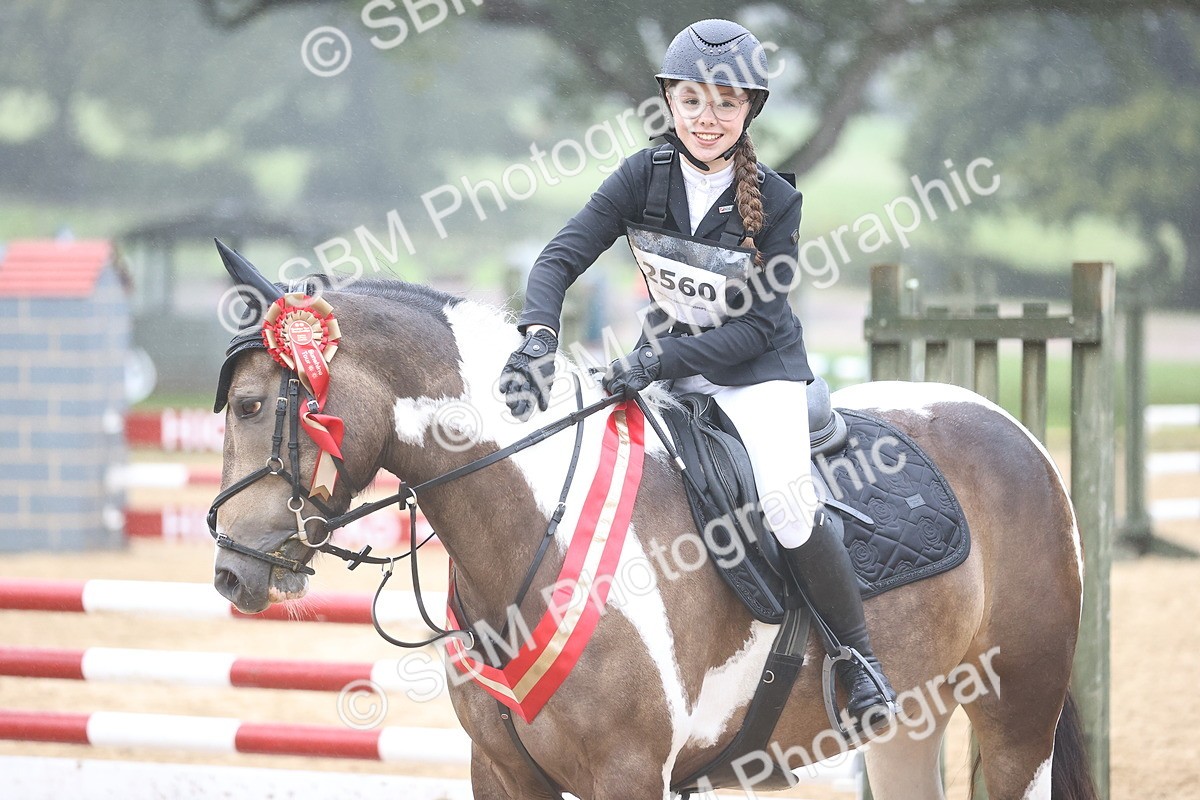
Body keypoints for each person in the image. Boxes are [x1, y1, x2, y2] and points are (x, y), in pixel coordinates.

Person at [498, 19, 896, 727]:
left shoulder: (776, 201)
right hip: (669, 363)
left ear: (749, 111)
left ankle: (858, 659)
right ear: (669, 103)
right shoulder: (641, 177)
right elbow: (558, 259)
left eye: (725, 104)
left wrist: (658, 361)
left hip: (759, 373)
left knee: (787, 504)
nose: (707, 119)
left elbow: (756, 329)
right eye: (691, 101)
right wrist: (537, 337)